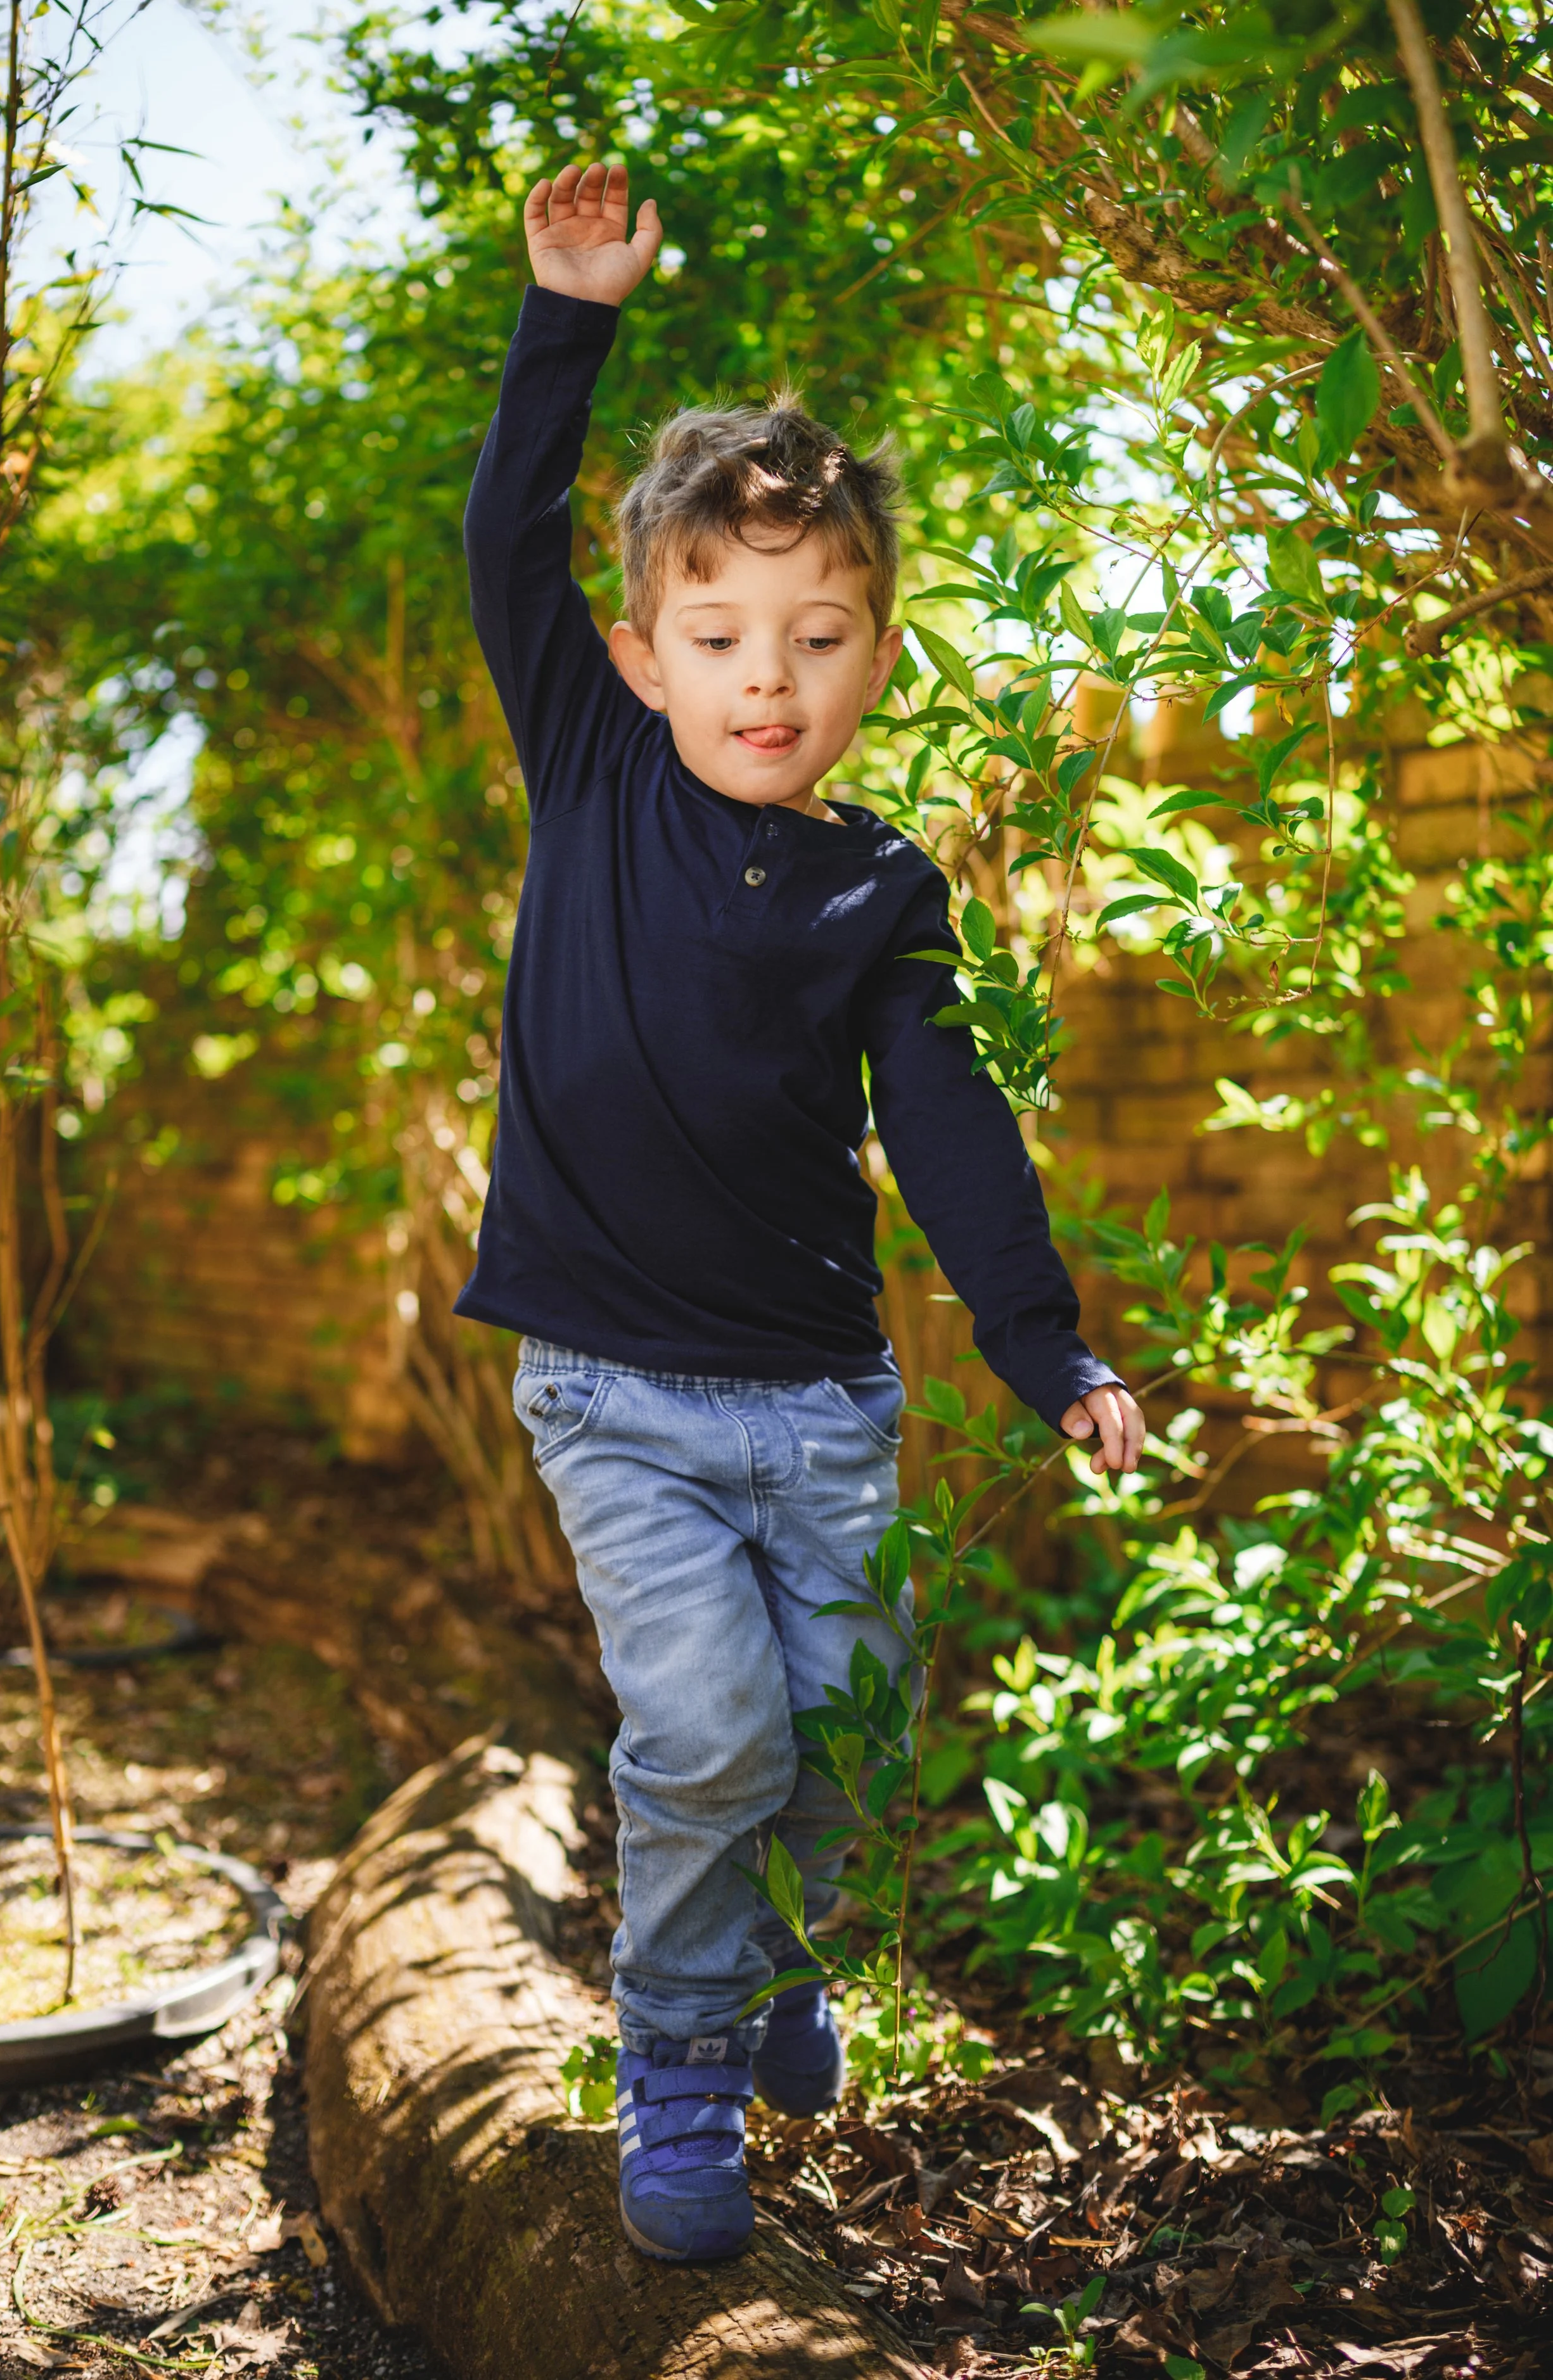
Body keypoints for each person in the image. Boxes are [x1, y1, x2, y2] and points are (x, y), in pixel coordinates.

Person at [456, 159, 1146, 2265]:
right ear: (638, 652)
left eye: (815, 635)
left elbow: (946, 1137)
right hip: (617, 1393)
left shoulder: (885, 893)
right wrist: (570, 316)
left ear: (875, 654)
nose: (768, 676)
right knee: (711, 1726)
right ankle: (677, 2058)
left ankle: (772, 1962)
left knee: (841, 1743)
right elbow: (503, 538)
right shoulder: (590, 764)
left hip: (827, 1404)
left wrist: (1042, 1345)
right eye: (720, 634)